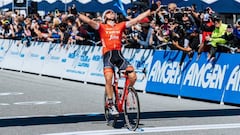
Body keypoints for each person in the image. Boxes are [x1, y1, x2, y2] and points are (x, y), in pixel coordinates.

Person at [78, 5, 159, 115]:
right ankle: (111, 104)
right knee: (109, 78)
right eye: (109, 12)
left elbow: (137, 19)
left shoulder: (120, 26)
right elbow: (89, 21)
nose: (112, 13)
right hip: (108, 56)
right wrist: (77, 14)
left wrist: (150, 10)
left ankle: (126, 92)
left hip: (119, 55)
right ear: (105, 17)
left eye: (113, 12)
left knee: (133, 76)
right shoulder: (101, 26)